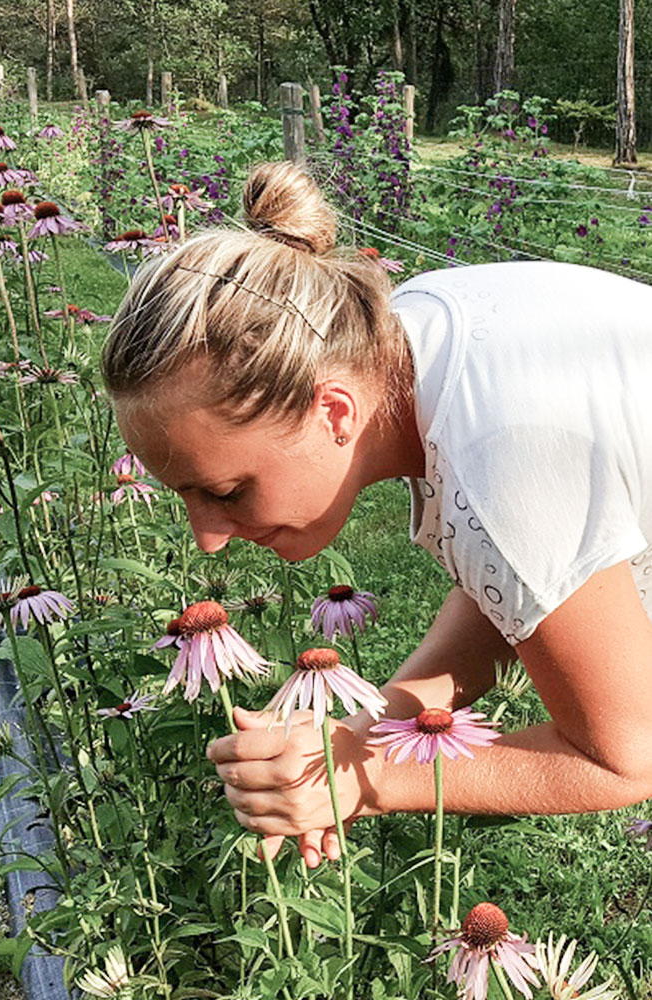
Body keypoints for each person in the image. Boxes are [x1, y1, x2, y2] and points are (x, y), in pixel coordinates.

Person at [101, 160, 652, 870]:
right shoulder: (407, 336)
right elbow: (522, 577)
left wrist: (362, 781)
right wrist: (367, 729)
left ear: (333, 410)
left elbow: (623, 757)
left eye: (227, 490)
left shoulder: (499, 448)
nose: (206, 538)